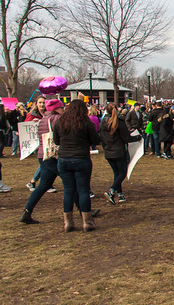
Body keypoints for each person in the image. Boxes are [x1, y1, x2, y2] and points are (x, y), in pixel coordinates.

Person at [53, 100, 100, 232]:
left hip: (63, 159)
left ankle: (68, 222)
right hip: (81, 158)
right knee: (83, 190)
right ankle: (87, 222)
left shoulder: (60, 122)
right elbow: (95, 140)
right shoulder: (86, 123)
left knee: (68, 191)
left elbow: (56, 141)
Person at [19, 99, 64, 225]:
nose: (63, 109)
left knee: (43, 185)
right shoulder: (56, 118)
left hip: (43, 154)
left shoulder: (44, 118)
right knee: (69, 181)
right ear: (56, 109)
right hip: (51, 156)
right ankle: (85, 211)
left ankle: (27, 212)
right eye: (61, 107)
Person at [100, 103, 141, 204]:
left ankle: (120, 194)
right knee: (122, 173)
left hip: (108, 151)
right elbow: (126, 138)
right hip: (118, 151)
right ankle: (112, 190)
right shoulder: (118, 122)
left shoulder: (103, 123)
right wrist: (137, 137)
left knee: (117, 173)